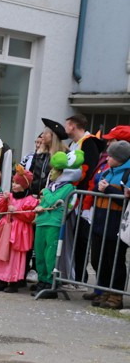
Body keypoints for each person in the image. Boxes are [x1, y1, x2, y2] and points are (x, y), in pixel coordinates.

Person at [86, 139, 130, 309]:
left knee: (115, 261)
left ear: (120, 158)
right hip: (100, 221)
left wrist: (109, 190)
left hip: (116, 223)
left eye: (111, 156)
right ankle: (103, 290)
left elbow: (125, 201)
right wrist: (100, 188)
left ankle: (116, 295)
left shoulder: (127, 174)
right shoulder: (106, 171)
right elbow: (96, 190)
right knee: (98, 259)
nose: (107, 158)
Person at [64, 114, 105, 287]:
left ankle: (80, 277)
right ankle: (72, 273)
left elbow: (88, 170)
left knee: (81, 238)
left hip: (82, 197)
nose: (65, 128)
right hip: (72, 195)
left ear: (73, 126)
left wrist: (80, 192)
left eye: (67, 125)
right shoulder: (73, 144)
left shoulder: (88, 143)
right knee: (73, 237)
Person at [32, 150, 79, 297]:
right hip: (42, 221)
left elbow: (54, 201)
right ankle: (42, 280)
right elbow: (46, 202)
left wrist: (45, 192)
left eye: (54, 170)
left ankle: (50, 283)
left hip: (54, 223)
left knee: (50, 254)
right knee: (39, 253)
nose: (51, 172)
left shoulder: (68, 187)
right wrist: (38, 207)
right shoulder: (51, 186)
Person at [0, 168, 37, 292]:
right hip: (6, 228)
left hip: (19, 231)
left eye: (18, 183)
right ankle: (1, 280)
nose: (14, 185)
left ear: (25, 185)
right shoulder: (9, 196)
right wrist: (4, 200)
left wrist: (17, 211)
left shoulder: (30, 200)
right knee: (2, 253)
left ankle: (14, 281)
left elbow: (30, 216)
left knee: (15, 256)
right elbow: (0, 209)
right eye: (13, 182)